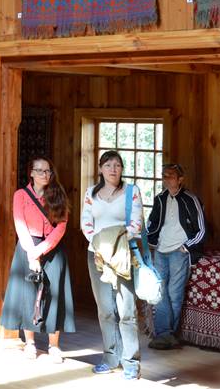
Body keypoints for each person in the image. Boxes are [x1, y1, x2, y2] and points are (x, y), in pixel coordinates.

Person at [0, 157, 74, 363]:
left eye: (48, 171)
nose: (44, 174)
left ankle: (54, 345)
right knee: (28, 295)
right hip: (27, 247)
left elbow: (61, 226)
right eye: (40, 170)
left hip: (52, 249)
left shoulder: (58, 195)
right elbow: (20, 224)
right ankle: (30, 343)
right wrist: (32, 254)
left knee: (54, 295)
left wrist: (40, 250)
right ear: (31, 173)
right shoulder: (20, 195)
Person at [80, 150, 144, 380]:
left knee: (127, 310)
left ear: (122, 169)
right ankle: (110, 357)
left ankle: (131, 362)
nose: (113, 169)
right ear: (100, 169)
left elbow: (136, 224)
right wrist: (99, 244)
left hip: (122, 255)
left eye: (117, 165)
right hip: (96, 255)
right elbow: (86, 222)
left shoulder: (131, 192)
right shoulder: (91, 193)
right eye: (108, 165)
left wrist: (113, 242)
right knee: (105, 309)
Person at [146, 163, 206, 350]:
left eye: (170, 176)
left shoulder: (191, 199)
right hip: (160, 250)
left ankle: (167, 335)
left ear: (180, 179)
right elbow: (151, 223)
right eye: (164, 175)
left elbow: (201, 229)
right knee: (160, 291)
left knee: (174, 293)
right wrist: (152, 242)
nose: (166, 179)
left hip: (179, 252)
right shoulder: (160, 198)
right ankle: (165, 335)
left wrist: (186, 247)